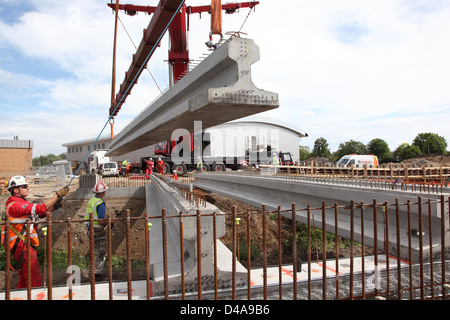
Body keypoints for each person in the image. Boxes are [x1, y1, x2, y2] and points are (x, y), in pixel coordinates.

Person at [2, 175, 69, 288]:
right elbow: (38, 208)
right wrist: (57, 196)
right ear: (16, 190)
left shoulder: (21, 203)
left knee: (25, 279)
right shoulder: (15, 206)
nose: (28, 188)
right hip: (22, 245)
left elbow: (40, 214)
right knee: (34, 279)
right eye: (24, 186)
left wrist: (54, 207)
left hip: (25, 244)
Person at [84, 182, 109, 281]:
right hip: (97, 231)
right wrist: (109, 222)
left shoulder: (92, 200)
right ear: (103, 192)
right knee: (101, 252)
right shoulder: (100, 204)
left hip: (90, 230)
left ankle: (93, 272)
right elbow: (101, 221)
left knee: (95, 251)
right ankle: (96, 274)